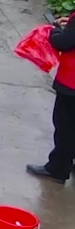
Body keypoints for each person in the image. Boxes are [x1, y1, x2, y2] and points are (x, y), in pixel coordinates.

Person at [26, 10, 75, 184]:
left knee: (65, 126)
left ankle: (58, 168)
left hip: (71, 84)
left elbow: (64, 42)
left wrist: (54, 31)